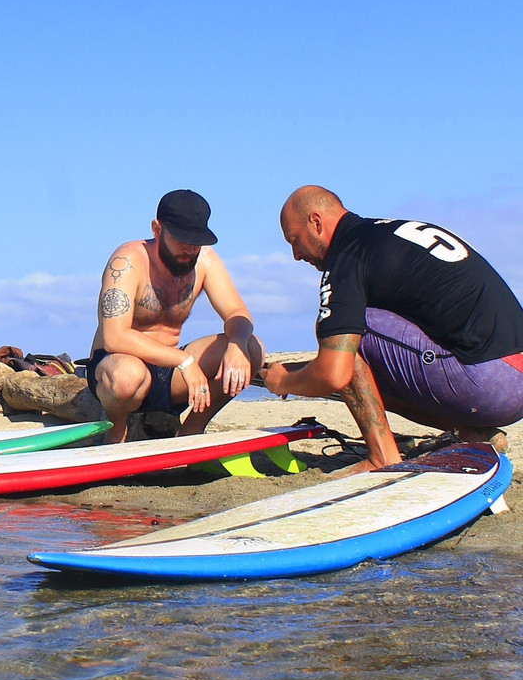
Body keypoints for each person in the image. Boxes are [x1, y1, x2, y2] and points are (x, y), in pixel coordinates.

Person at [260, 185, 523, 473]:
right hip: (509, 381)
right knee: (363, 367)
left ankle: (381, 456)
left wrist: (282, 381)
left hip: (486, 383)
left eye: (295, 240)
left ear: (316, 222)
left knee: (345, 336)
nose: (296, 255)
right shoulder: (385, 234)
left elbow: (334, 372)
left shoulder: (348, 255)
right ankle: (472, 433)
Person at [87, 189, 264, 444]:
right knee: (128, 376)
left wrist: (237, 345)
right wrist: (185, 361)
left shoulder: (204, 260)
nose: (189, 249)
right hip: (117, 366)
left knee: (252, 347)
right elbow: (114, 337)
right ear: (157, 230)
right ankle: (117, 427)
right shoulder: (127, 261)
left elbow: (237, 312)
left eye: (196, 240)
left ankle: (191, 429)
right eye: (181, 239)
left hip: (169, 374)